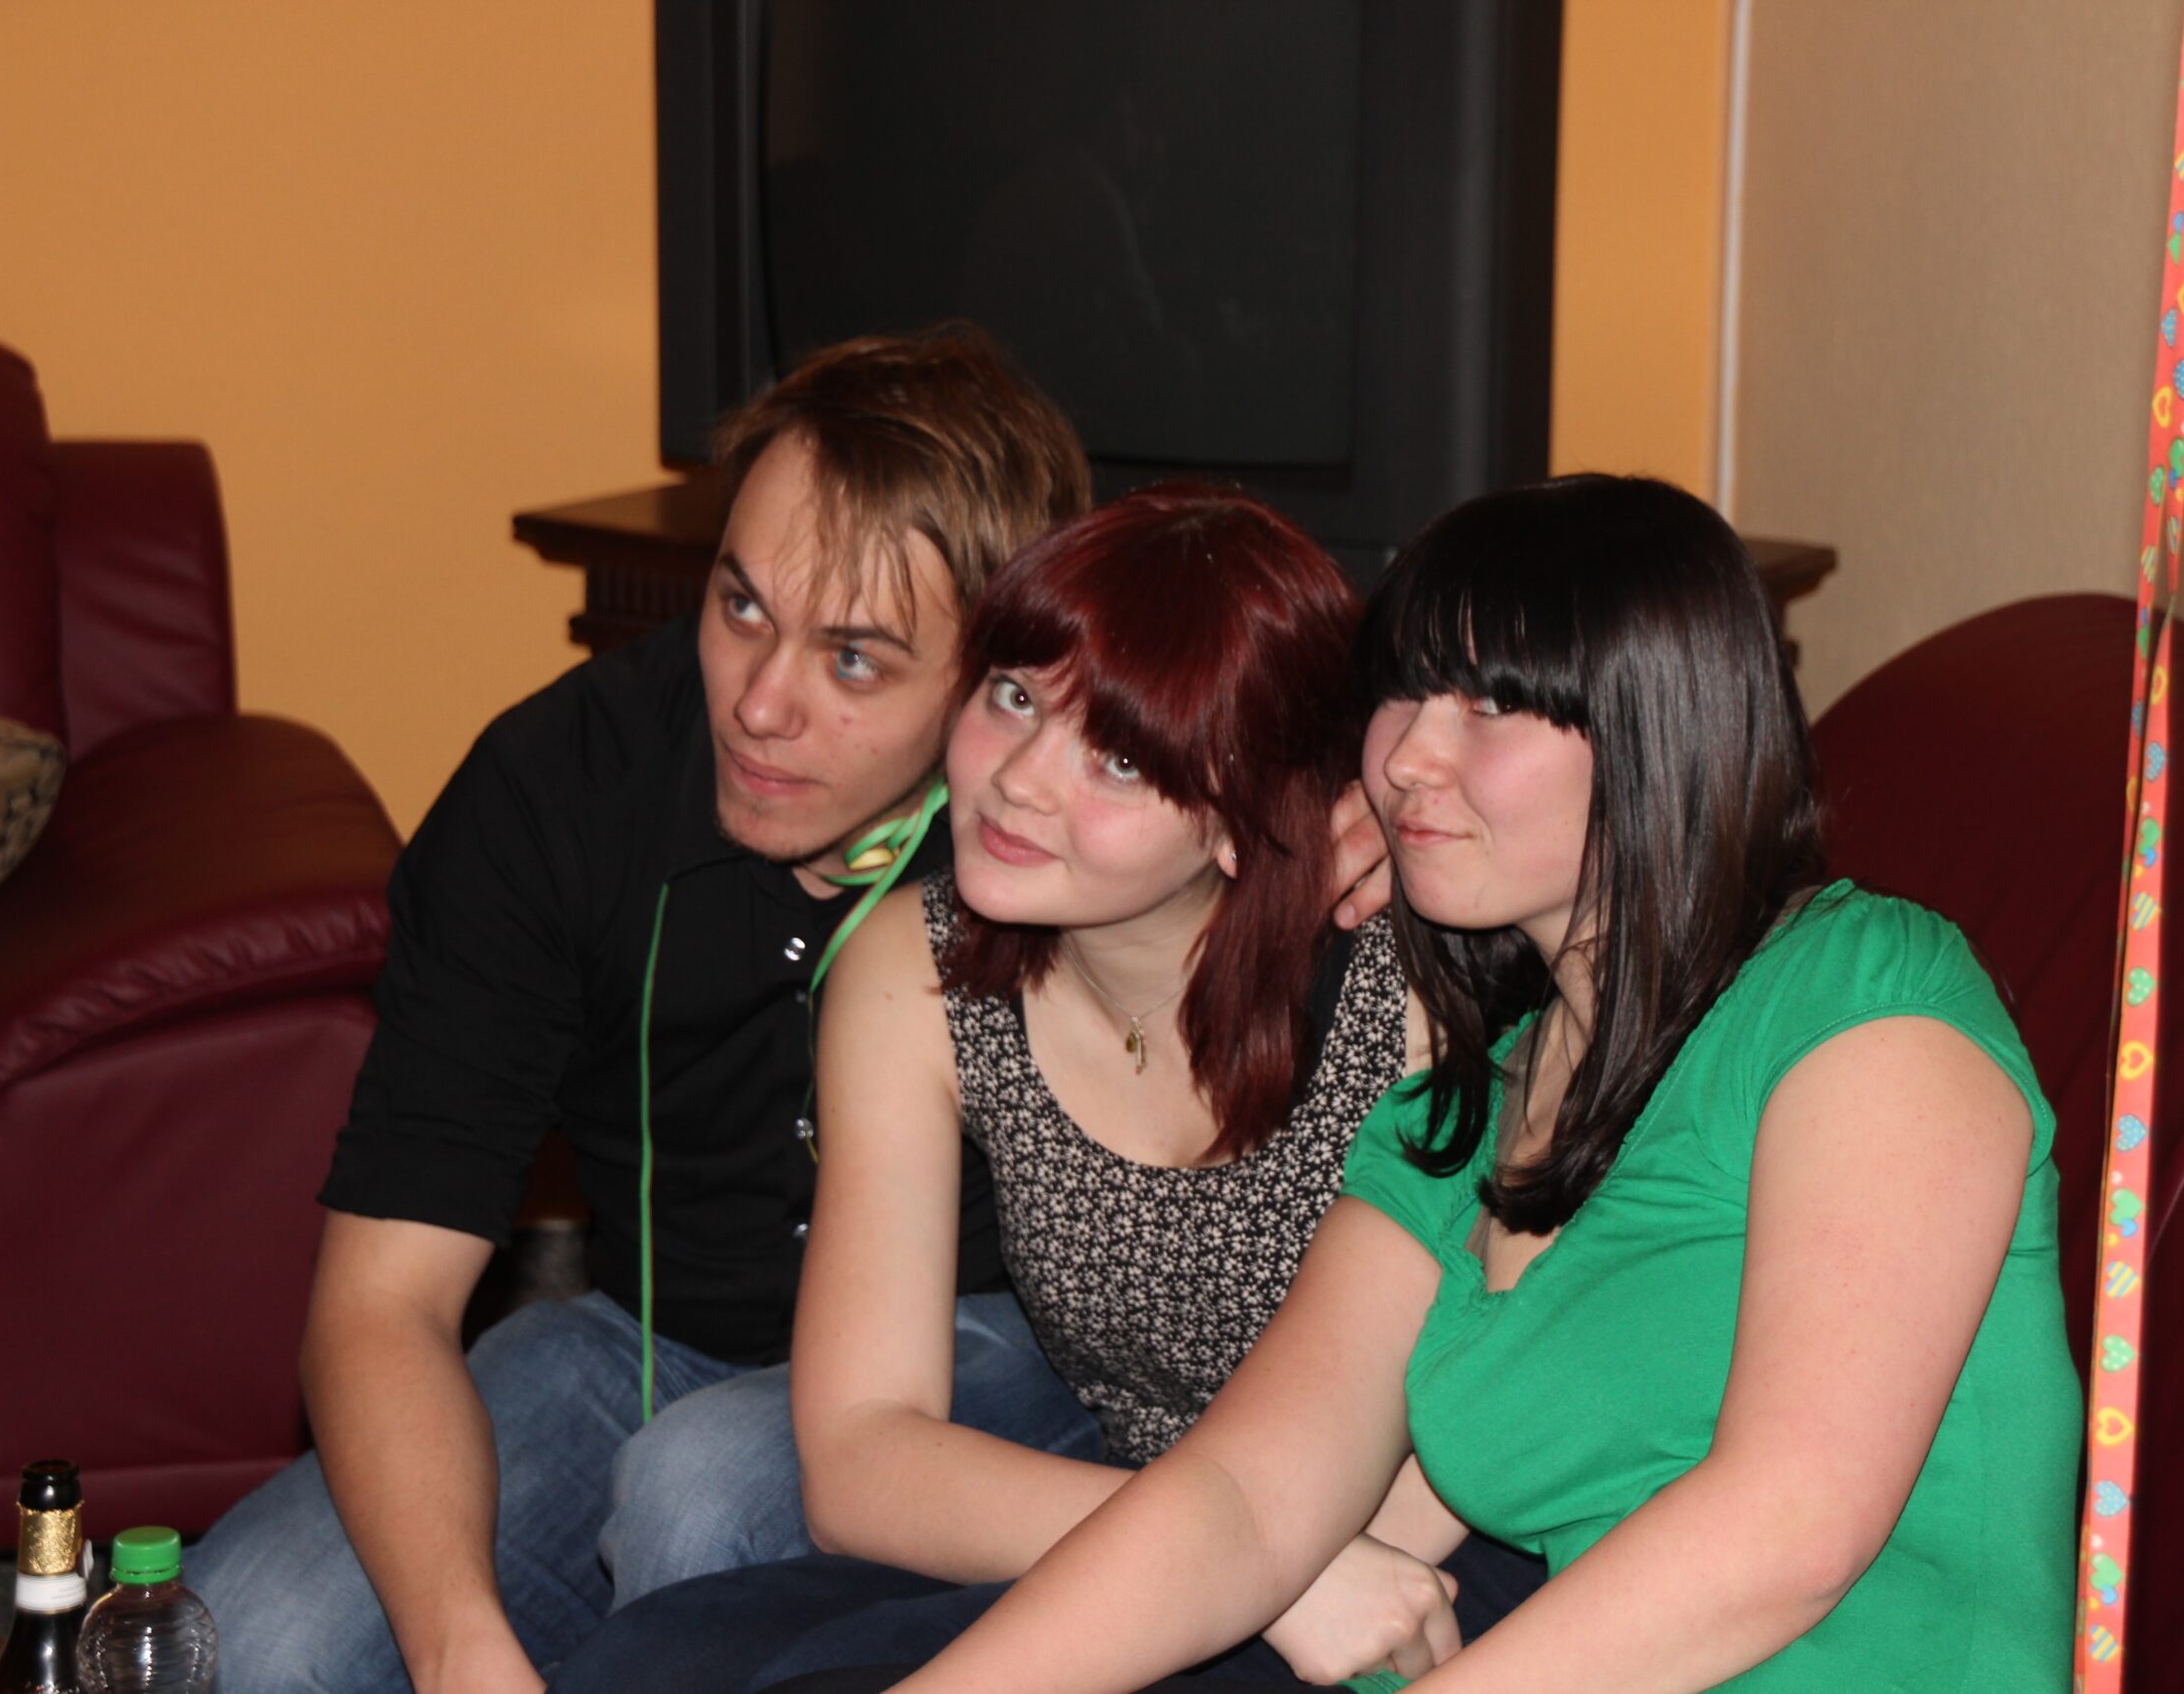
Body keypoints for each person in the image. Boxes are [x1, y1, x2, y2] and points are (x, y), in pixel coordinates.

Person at [184, 328, 1393, 1694]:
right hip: (638, 1339)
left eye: (856, 660)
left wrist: (1366, 815)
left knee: (703, 1496)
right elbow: (382, 1301)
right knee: (248, 1636)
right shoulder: (553, 792)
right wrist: (457, 1643)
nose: (759, 704)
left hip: (998, 1347)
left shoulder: (1044, 817)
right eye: (739, 606)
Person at [802, 474, 2083, 1694]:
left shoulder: (1861, 995)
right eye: (1404, 693)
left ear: (1657, 729)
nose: (1406, 756)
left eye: (1486, 707)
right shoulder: (1457, 1116)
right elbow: (1240, 1501)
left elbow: (1787, 1527)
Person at [549, 486, 1544, 1694]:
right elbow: (860, 1457)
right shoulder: (915, 972)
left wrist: (1283, 1570)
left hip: (1431, 1546)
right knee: (653, 1662)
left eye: (1118, 759)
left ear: (1241, 819)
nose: (1018, 780)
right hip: (1180, 1528)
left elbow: (1511, 1400)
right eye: (1014, 697)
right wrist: (1234, 1566)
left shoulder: (1412, 1000)